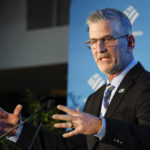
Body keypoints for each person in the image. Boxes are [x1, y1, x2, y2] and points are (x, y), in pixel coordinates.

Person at [1, 8, 150, 150]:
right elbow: (68, 147)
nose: (100, 49)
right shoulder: (95, 98)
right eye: (93, 41)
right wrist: (17, 131)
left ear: (130, 42)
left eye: (108, 39)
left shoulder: (145, 85)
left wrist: (100, 127)